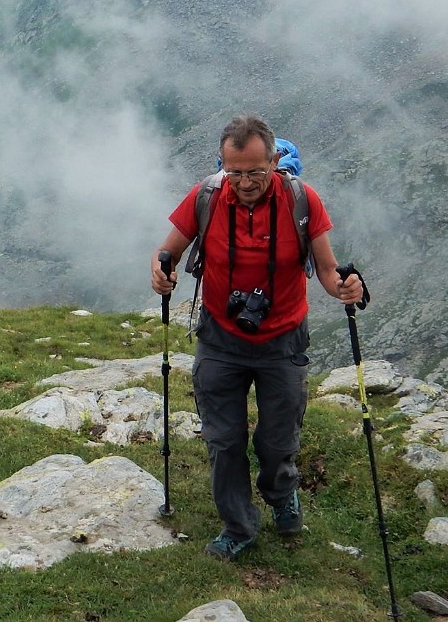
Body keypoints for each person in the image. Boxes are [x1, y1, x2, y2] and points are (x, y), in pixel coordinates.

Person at [150, 114, 363, 562]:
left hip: (282, 339)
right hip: (220, 337)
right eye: (236, 172)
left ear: (275, 162)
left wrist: (344, 287)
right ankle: (238, 525)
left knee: (277, 438)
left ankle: (281, 492)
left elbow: (327, 269)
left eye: (256, 172)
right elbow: (169, 249)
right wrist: (161, 270)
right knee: (223, 440)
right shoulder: (206, 196)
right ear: (223, 164)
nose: (245, 182)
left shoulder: (302, 201)